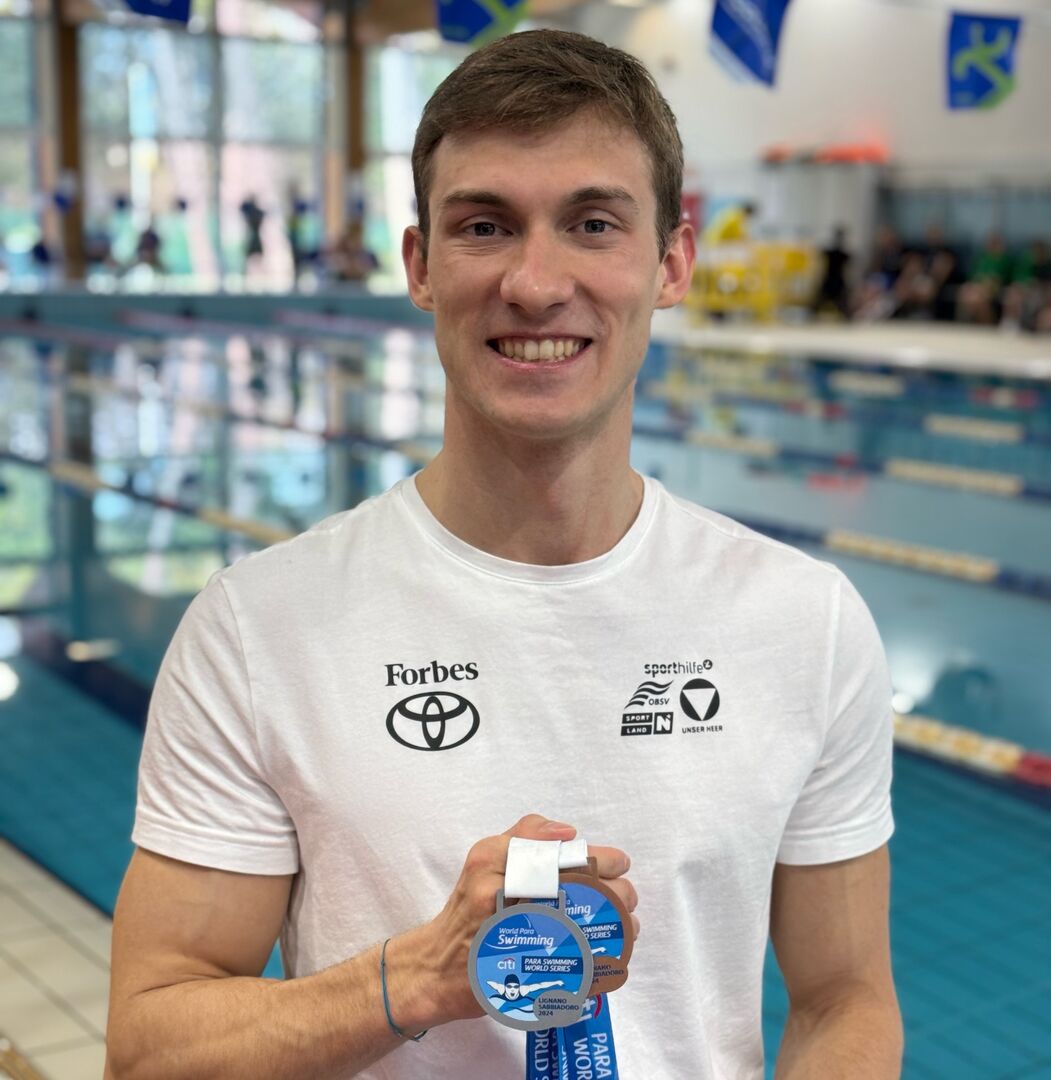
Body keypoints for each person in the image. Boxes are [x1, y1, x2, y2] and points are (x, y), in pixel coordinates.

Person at [105, 29, 901, 1080]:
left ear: (670, 262)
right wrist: (413, 979)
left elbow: (845, 1000)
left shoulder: (804, 618)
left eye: (592, 224)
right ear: (420, 266)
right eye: (485, 225)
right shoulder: (261, 628)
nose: (535, 283)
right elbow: (148, 1048)